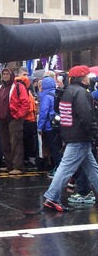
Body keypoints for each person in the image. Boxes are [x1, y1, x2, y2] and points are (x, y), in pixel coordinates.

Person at [43, 65, 98, 212]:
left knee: (93, 169)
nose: (89, 78)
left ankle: (51, 197)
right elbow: (86, 117)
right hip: (80, 136)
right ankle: (51, 197)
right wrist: (95, 134)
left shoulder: (68, 91)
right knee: (66, 168)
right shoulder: (81, 93)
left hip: (71, 135)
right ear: (82, 77)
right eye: (87, 76)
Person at [0, 68, 29, 175]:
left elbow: (25, 103)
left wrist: (18, 115)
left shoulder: (19, 86)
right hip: (2, 119)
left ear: (12, 75)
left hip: (14, 118)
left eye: (7, 74)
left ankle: (18, 166)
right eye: (3, 74)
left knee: (16, 143)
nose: (5, 76)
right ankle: (9, 165)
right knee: (5, 143)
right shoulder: (1, 87)